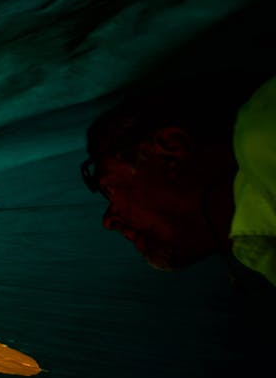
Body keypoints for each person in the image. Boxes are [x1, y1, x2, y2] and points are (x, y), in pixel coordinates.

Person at [81, 71, 275, 287]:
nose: (108, 221)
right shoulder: (250, 246)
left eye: (110, 188)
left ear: (171, 150)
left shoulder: (264, 133)